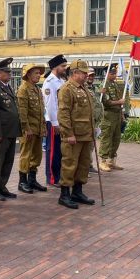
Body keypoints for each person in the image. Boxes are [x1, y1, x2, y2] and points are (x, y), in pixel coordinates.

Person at [57, 59, 97, 209]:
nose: (86, 75)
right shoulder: (66, 89)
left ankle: (77, 191)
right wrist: (68, 134)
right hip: (73, 135)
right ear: (74, 73)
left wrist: (92, 131)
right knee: (69, 164)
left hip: (86, 134)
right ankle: (64, 194)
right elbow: (64, 113)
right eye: (84, 73)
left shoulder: (84, 88)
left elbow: (89, 112)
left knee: (83, 164)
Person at [0, 58, 21, 202]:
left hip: (11, 131)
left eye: (9, 72)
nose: (10, 74)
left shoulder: (7, 87)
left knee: (8, 160)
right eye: (6, 72)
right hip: (1, 132)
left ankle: (2, 185)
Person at [17, 64, 48, 193]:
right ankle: (22, 181)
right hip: (29, 129)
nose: (38, 75)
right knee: (26, 155)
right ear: (28, 74)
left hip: (38, 128)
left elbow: (41, 110)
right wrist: (26, 128)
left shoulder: (37, 89)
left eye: (39, 73)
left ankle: (32, 180)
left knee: (37, 155)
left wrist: (44, 126)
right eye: (36, 73)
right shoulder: (23, 89)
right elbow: (22, 112)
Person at [43, 54, 67, 187]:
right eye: (62, 66)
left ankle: (59, 175)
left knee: (60, 151)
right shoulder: (50, 83)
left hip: (61, 121)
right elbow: (50, 105)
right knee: (53, 151)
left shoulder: (61, 81)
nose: (65, 68)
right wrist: (55, 123)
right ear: (55, 67)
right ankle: (52, 178)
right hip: (53, 122)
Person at [99, 63, 128, 172]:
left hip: (117, 115)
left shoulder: (114, 84)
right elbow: (105, 102)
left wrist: (122, 116)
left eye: (115, 73)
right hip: (108, 116)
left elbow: (120, 104)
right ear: (106, 74)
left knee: (116, 139)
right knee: (107, 139)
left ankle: (111, 161)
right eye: (112, 73)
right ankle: (103, 161)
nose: (114, 75)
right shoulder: (104, 85)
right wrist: (119, 102)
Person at [86, 71, 104, 173]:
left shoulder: (94, 88)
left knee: (91, 145)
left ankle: (89, 165)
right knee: (87, 145)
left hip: (95, 121)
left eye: (92, 76)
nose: (91, 77)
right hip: (88, 121)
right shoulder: (83, 88)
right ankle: (84, 168)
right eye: (89, 75)